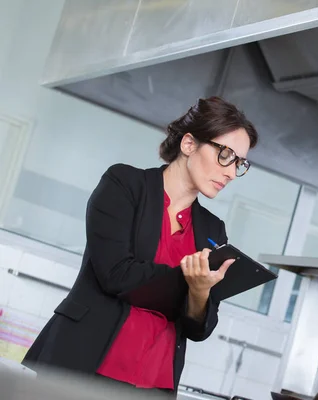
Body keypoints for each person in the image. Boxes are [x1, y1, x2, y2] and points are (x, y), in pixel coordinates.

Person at [22, 97, 258, 396]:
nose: (231, 172)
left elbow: (200, 328)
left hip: (154, 383)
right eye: (225, 154)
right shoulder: (124, 184)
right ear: (189, 144)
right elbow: (116, 274)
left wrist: (199, 294)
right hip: (82, 366)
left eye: (240, 163)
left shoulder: (213, 228)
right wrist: (189, 285)